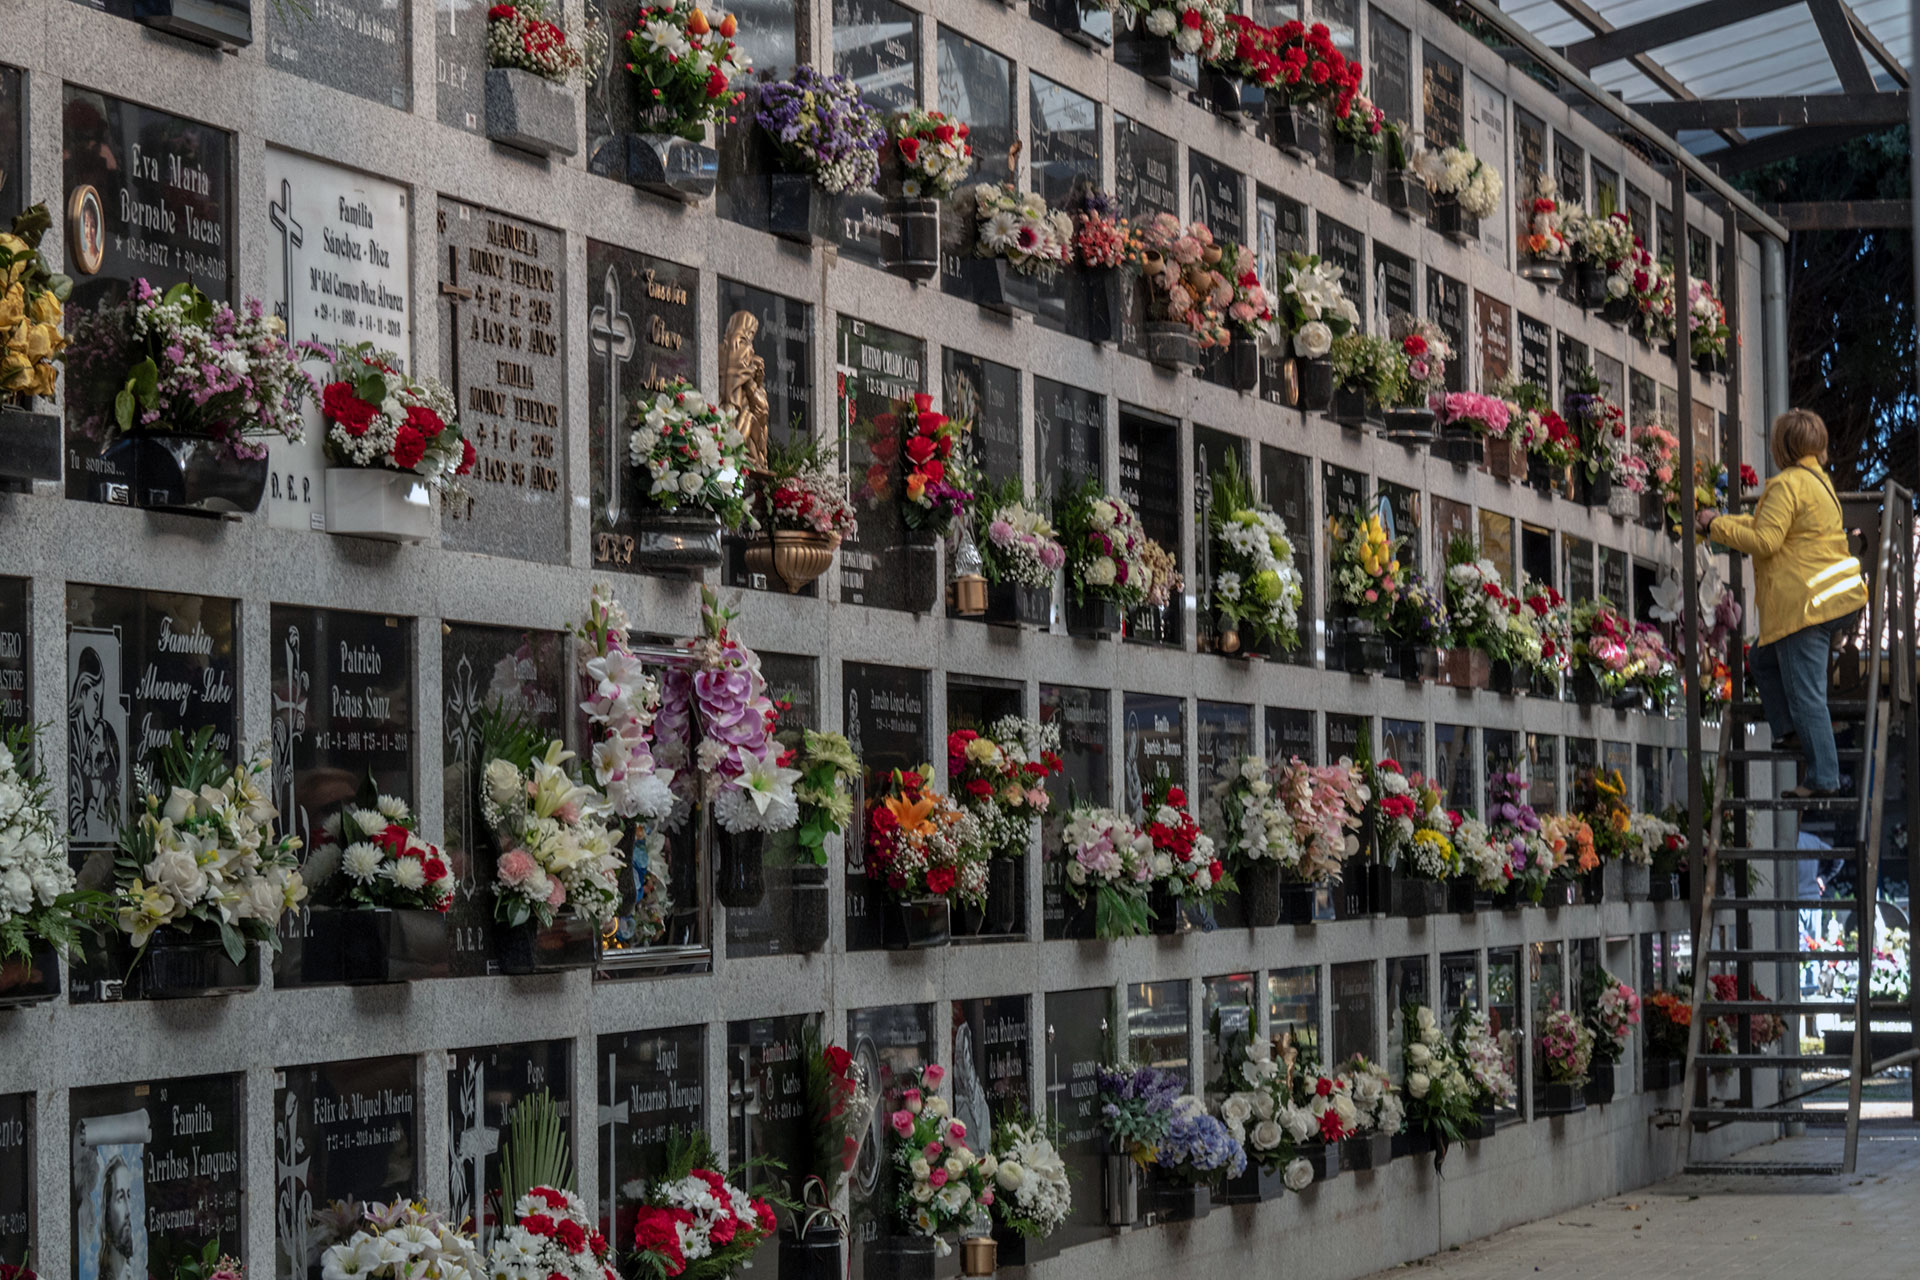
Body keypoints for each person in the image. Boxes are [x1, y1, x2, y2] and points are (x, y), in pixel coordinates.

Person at [1698, 409, 1867, 797]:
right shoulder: (1818, 483)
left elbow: (1765, 542)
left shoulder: (1786, 484)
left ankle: (1824, 777)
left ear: (1781, 446)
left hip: (1803, 606)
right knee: (1761, 658)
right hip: (1831, 600)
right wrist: (1718, 522)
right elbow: (1766, 530)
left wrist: (1714, 525)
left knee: (1807, 693)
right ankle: (1790, 732)